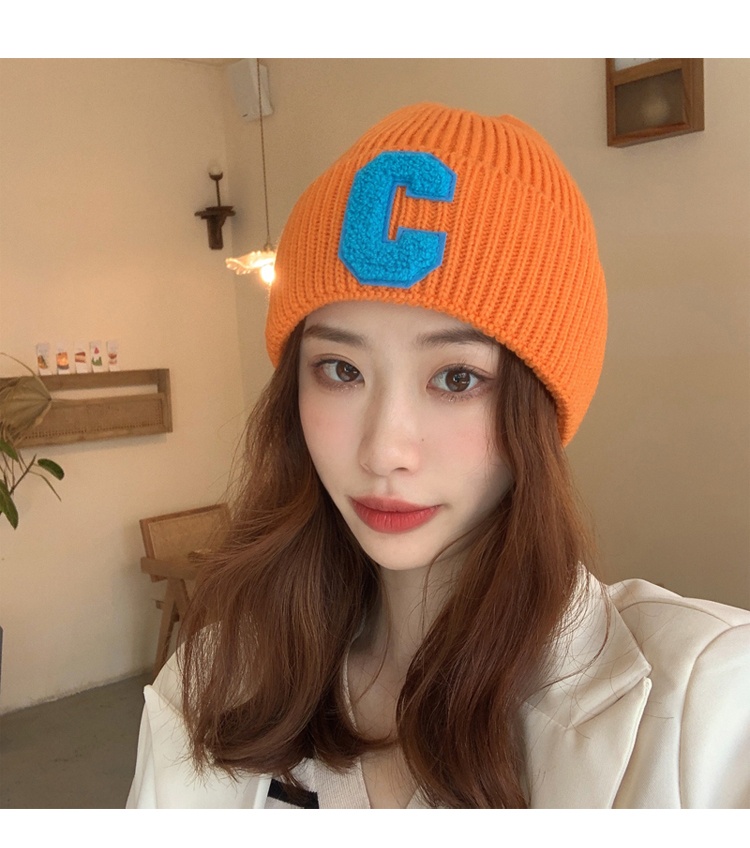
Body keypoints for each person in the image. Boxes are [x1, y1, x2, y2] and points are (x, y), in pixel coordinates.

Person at [127, 103, 750, 809]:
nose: (384, 451)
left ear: (540, 410)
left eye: (457, 378)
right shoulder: (210, 681)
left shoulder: (707, 705)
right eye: (340, 370)